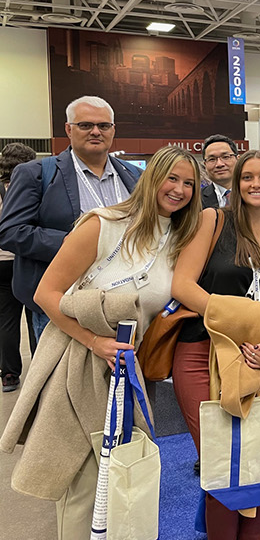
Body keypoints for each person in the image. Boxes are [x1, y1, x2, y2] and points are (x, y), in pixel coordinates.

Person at [2, 145, 202, 539]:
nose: (179, 189)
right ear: (150, 179)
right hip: (79, 358)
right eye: (171, 178)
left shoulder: (179, 236)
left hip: (128, 367)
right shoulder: (103, 223)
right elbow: (46, 293)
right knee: (84, 478)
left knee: (121, 474)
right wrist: (94, 341)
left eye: (189, 183)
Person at [171, 150, 260, 540]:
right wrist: (240, 318)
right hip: (200, 354)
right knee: (222, 463)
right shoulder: (213, 220)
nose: (256, 185)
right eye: (248, 177)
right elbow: (182, 286)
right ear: (236, 182)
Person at [0, 95, 141, 342]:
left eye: (103, 126)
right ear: (68, 129)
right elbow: (11, 231)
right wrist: (75, 245)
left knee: (123, 375)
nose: (96, 132)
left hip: (124, 299)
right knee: (61, 380)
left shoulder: (135, 175)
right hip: (62, 302)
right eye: (85, 125)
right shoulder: (36, 174)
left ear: (113, 130)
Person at [0, 142, 38, 391]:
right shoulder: (33, 187)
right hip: (28, 259)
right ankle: (40, 370)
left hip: (1, 264)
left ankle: (9, 375)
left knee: (6, 319)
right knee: (35, 314)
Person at [200, 134, 239, 209]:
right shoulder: (196, 199)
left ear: (238, 159)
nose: (219, 164)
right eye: (212, 159)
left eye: (225, 157)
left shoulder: (252, 194)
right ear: (205, 165)